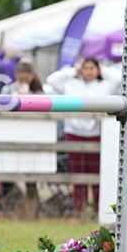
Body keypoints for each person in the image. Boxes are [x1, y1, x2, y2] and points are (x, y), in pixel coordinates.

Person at [46, 57, 122, 217]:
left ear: (98, 70)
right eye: (85, 68)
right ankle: (78, 210)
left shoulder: (105, 84)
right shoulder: (70, 82)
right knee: (77, 174)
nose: (88, 72)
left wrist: (103, 69)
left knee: (96, 174)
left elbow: (119, 78)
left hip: (96, 133)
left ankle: (97, 209)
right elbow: (51, 80)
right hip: (73, 132)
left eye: (92, 68)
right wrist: (73, 70)